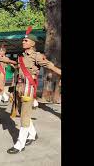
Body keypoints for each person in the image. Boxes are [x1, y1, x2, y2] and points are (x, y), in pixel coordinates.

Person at [7, 26, 62, 154]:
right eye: (23, 40)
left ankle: (20, 144)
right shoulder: (21, 56)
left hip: (28, 89)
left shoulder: (37, 56)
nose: (23, 42)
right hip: (19, 87)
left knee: (24, 116)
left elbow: (50, 65)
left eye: (26, 41)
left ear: (32, 44)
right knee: (21, 112)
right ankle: (32, 134)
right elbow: (18, 70)